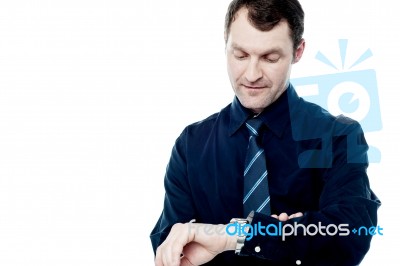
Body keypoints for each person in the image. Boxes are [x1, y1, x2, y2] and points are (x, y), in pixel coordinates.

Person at [150, 0, 381, 265]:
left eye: (270, 58)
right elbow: (170, 248)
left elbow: (349, 234)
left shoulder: (338, 136)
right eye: (240, 55)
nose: (251, 74)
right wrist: (292, 233)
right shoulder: (191, 146)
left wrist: (235, 235)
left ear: (298, 51)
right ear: (225, 43)